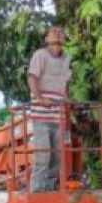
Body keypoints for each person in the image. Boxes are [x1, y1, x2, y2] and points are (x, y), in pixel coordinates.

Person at [28, 26, 70, 192]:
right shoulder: (40, 55)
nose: (58, 33)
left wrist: (67, 100)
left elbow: (65, 82)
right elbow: (32, 78)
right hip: (41, 113)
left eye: (61, 32)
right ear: (46, 38)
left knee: (57, 157)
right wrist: (39, 99)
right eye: (54, 32)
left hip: (58, 113)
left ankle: (50, 189)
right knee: (43, 155)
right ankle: (37, 193)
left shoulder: (67, 58)